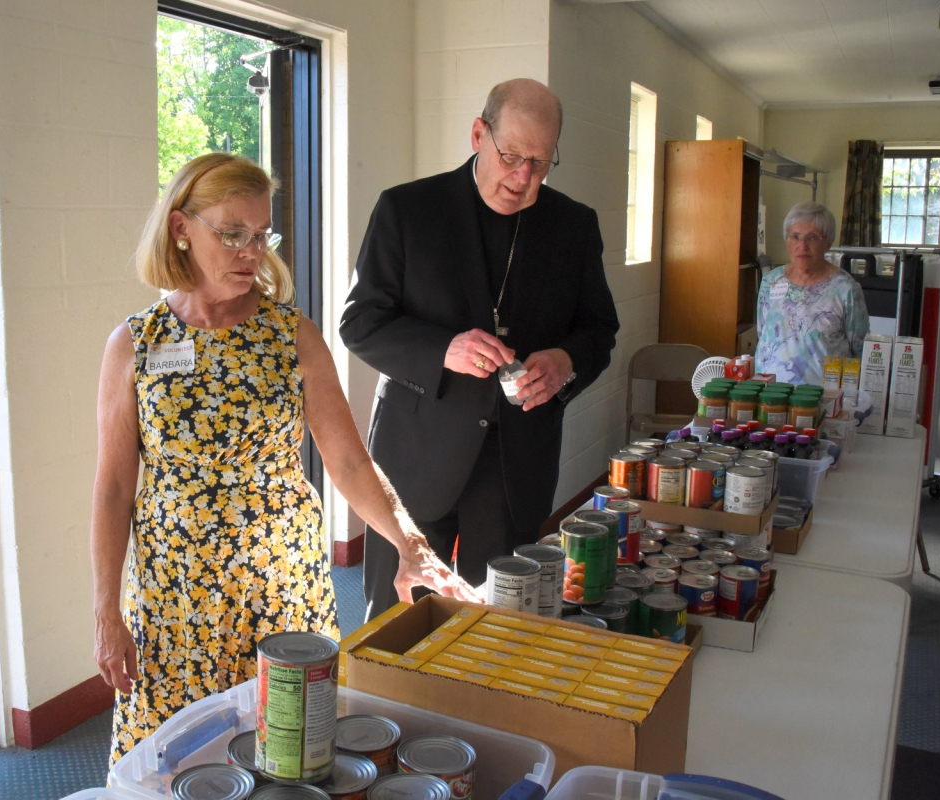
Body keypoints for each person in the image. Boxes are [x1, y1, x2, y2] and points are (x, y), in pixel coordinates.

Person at [90, 153, 478, 764]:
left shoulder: (290, 335)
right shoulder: (136, 344)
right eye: (232, 234)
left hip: (280, 581)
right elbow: (114, 490)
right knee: (176, 759)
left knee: (291, 745)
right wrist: (106, 611)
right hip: (176, 592)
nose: (252, 252)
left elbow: (349, 462)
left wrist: (411, 547)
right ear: (181, 229)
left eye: (261, 234)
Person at [340, 79, 620, 619]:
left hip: (516, 458)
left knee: (500, 619)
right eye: (511, 156)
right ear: (478, 134)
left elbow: (599, 328)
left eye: (540, 163)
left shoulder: (573, 226)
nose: (523, 178)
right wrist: (443, 348)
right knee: (400, 615)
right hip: (417, 450)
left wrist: (566, 363)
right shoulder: (407, 209)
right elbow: (360, 323)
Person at [755, 202, 870, 386]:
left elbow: (860, 349)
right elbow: (762, 333)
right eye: (795, 236)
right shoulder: (770, 281)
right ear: (787, 240)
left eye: (813, 237)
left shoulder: (846, 288)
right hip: (770, 394)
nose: (802, 245)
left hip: (823, 398)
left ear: (828, 243)